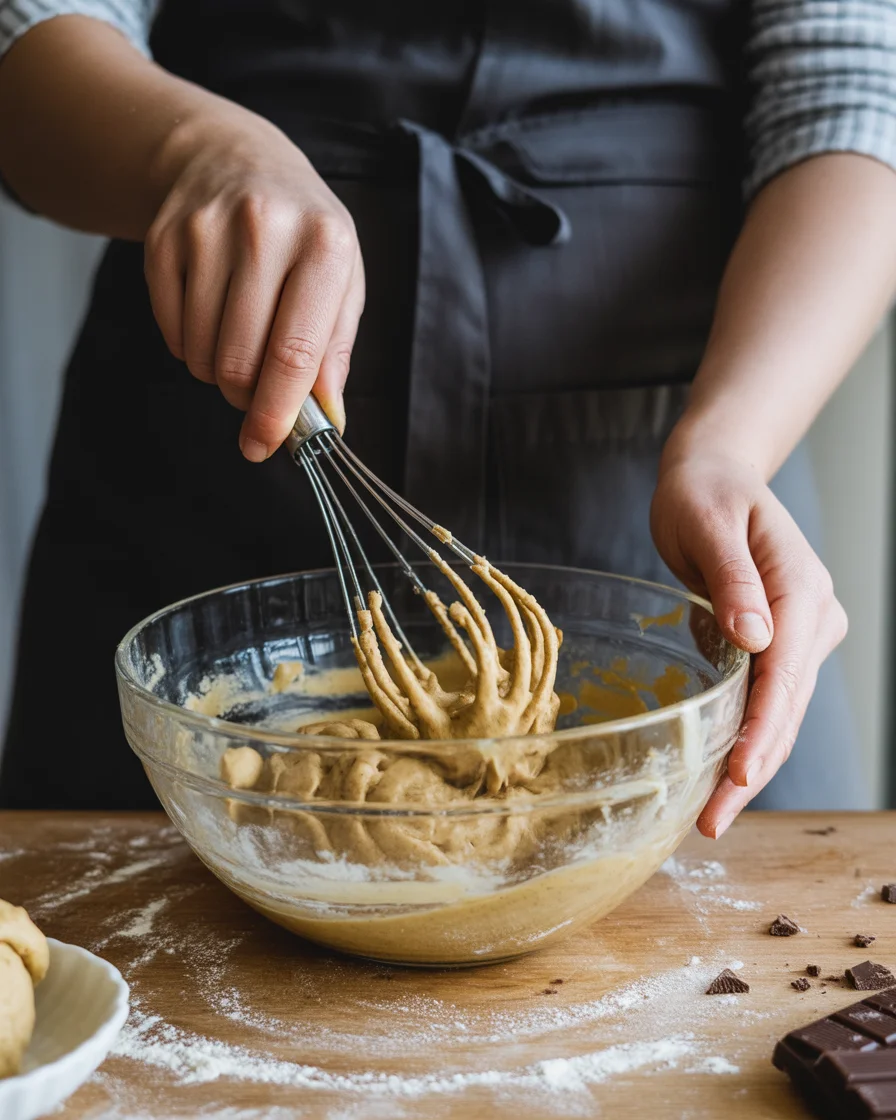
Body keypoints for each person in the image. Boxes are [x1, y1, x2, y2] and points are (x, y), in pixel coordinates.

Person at [0, 1, 894, 834]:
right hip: (207, 437)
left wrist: (730, 447)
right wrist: (194, 152)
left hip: (685, 424)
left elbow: (852, 89)